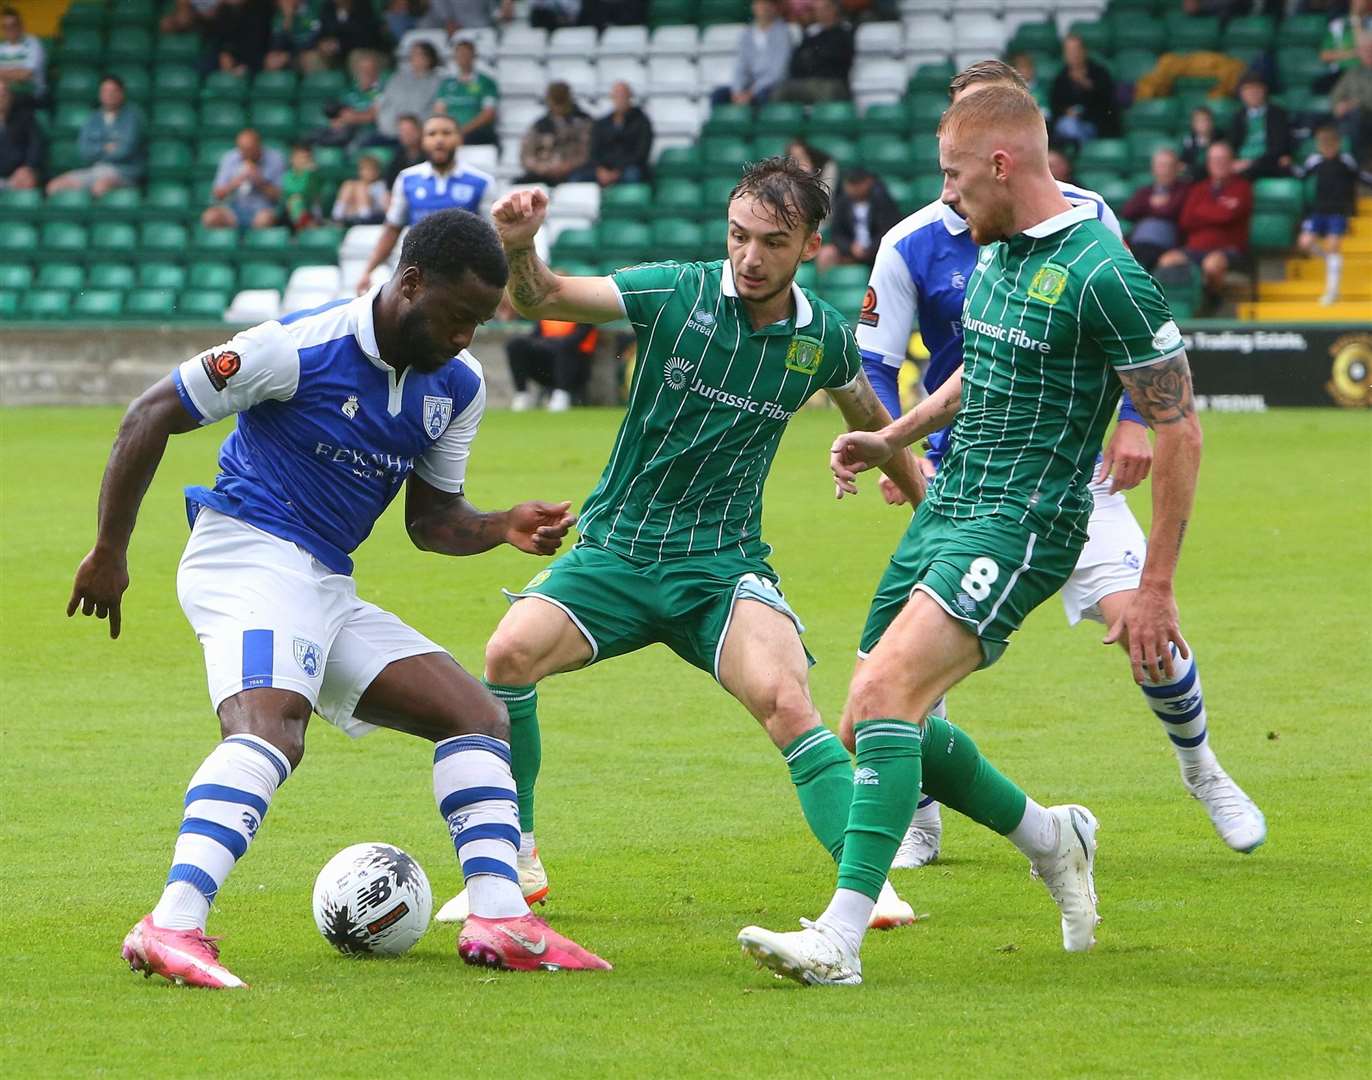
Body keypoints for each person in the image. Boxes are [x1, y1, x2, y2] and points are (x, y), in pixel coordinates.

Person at [740, 82, 1207, 987]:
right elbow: (978, 371)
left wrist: (1155, 585)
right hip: (950, 506)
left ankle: (838, 939)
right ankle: (1052, 834)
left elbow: (1180, 425)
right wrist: (892, 437)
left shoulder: (1104, 272)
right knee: (875, 717)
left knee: (881, 697)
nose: (946, 195)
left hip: (1023, 518)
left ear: (1001, 164)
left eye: (954, 175)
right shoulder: (996, 253)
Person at [67, 209, 610, 987]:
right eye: (456, 317)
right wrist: (110, 552)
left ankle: (500, 916)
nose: (465, 337)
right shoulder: (294, 347)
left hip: (322, 581)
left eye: (480, 323)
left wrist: (499, 526)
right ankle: (170, 925)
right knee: (271, 728)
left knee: (477, 718)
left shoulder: (455, 388)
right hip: (245, 554)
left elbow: (431, 521)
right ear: (410, 282)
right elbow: (150, 413)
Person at [433, 160, 927, 930]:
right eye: (738, 235)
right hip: (618, 550)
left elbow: (867, 410)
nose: (750, 256)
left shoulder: (821, 338)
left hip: (720, 566)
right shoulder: (677, 291)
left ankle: (863, 884)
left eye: (772, 241)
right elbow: (546, 296)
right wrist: (523, 249)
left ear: (810, 247)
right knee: (507, 655)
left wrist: (913, 485)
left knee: (787, 700)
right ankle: (516, 860)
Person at [852, 59, 1262, 877]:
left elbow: (1138, 343)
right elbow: (879, 363)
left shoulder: (1085, 226)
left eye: (963, 156)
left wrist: (1139, 421)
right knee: (893, 685)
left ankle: (1202, 767)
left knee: (1142, 629)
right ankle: (921, 825)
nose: (952, 179)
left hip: (1071, 480)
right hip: (960, 480)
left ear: (1006, 145)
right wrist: (892, 448)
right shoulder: (914, 241)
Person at [355, 113, 494, 293]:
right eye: (432, 134)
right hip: (418, 275)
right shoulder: (407, 179)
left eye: (446, 133)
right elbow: (392, 229)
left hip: (464, 274)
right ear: (423, 140)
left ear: (459, 139)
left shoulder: (481, 182)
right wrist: (368, 271)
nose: (439, 140)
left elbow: (492, 235)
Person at [1157, 141, 1252, 303]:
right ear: (1208, 164)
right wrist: (1219, 209)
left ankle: (1211, 305)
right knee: (1166, 261)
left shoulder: (1243, 188)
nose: (1219, 164)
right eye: (1214, 160)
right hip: (1195, 249)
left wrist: (1202, 212)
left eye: (1223, 159)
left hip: (1228, 250)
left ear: (1231, 162)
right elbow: (1186, 220)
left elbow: (1228, 216)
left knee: (1211, 265)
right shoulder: (1198, 189)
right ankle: (1176, 309)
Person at [1295, 125, 1372, 305]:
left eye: (1331, 144)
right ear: (1318, 145)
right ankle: (1330, 260)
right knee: (1305, 243)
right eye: (1323, 144)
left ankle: (1332, 291)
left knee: (1333, 244)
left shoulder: (1346, 160)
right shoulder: (1314, 161)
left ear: (1338, 144)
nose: (1327, 148)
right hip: (1319, 210)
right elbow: (1300, 175)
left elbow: (1360, 176)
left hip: (1338, 211)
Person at [46, 75, 144, 198]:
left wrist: (97, 150)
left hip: (124, 172)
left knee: (100, 187)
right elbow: (84, 151)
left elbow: (124, 151)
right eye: (105, 91)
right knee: (54, 186)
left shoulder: (132, 117)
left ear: (121, 93)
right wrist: (105, 148)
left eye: (113, 91)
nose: (109, 95)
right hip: (95, 170)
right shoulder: (92, 118)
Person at [816, 167, 900, 272]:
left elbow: (888, 231)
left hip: (877, 251)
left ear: (868, 183)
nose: (852, 188)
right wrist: (851, 247)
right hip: (850, 251)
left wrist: (869, 249)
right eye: (850, 184)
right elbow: (837, 234)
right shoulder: (843, 203)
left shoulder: (882, 201)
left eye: (856, 184)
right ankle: (826, 287)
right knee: (826, 253)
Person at [1121, 146, 1190, 272]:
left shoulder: (1184, 190)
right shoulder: (1146, 191)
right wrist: (1151, 203)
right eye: (1160, 166)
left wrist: (1151, 208)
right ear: (1153, 169)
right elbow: (1128, 211)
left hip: (1164, 245)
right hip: (1137, 243)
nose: (1164, 171)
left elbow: (1172, 210)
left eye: (1168, 166)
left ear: (1177, 168)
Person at [202, 128, 287, 231]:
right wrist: (235, 183)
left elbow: (280, 196)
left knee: (264, 219)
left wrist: (259, 181)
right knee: (210, 217)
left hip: (262, 209)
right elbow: (217, 195)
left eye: (250, 149)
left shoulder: (275, 159)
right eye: (242, 149)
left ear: (259, 146)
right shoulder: (230, 158)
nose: (246, 153)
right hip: (233, 210)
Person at [507, 317, 598, 412]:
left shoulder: (584, 315)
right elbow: (534, 337)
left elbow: (575, 340)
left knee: (564, 347)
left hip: (575, 369)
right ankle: (522, 394)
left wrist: (551, 342)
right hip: (546, 369)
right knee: (516, 345)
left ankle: (561, 396)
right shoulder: (547, 313)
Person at [712, 0, 791, 108]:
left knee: (762, 96)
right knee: (718, 95)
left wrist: (752, 92)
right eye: (758, 3)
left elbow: (777, 73)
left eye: (765, 4)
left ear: (773, 7)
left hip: (770, 87)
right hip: (749, 87)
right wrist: (737, 91)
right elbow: (740, 66)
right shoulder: (747, 34)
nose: (762, 7)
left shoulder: (783, 33)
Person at [773, 0, 853, 104]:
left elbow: (836, 61)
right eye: (817, 10)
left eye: (823, 9)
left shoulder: (844, 33)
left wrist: (811, 59)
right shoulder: (811, 35)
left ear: (834, 9)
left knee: (828, 91)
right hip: (806, 82)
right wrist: (814, 59)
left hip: (832, 83)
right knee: (780, 91)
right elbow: (795, 62)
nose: (820, 13)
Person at [516, 81, 592, 186]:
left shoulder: (583, 123)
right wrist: (542, 168)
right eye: (556, 101)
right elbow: (526, 155)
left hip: (573, 173)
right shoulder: (539, 126)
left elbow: (588, 153)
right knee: (520, 185)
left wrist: (567, 166)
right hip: (543, 173)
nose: (558, 106)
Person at [1049, 32, 1118, 146]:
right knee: (1065, 125)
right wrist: (1066, 111)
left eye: (1076, 50)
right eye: (1069, 51)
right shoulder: (1060, 78)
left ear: (1084, 51)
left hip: (1097, 126)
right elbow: (1055, 106)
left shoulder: (1099, 73)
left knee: (1068, 127)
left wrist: (1087, 85)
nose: (1073, 55)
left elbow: (1108, 103)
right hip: (1068, 125)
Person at [434, 37, 499, 147]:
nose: (462, 57)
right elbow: (439, 110)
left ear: (474, 56)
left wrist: (463, 130)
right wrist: (450, 130)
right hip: (451, 132)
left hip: (477, 133)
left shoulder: (486, 82)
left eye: (466, 53)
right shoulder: (447, 83)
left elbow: (489, 113)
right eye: (459, 54)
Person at [374, 42, 443, 143]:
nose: (414, 58)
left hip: (420, 135)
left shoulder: (439, 81)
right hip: (390, 131)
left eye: (419, 54)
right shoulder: (397, 78)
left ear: (430, 58)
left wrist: (413, 129)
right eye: (412, 54)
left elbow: (436, 111)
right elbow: (383, 104)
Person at [588, 81, 653, 187]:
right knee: (577, 177)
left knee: (632, 175)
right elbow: (594, 152)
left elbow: (641, 154)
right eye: (616, 96)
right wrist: (600, 170)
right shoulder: (602, 123)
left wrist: (616, 172)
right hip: (604, 168)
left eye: (623, 95)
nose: (620, 99)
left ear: (630, 97)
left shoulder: (642, 122)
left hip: (629, 168)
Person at [1228, 75, 1292, 181]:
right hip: (1240, 163)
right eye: (1248, 90)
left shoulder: (1277, 114)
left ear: (1264, 90)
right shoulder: (1238, 116)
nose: (1252, 94)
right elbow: (1231, 144)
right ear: (1241, 94)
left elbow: (1278, 148)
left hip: (1266, 163)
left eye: (1256, 89)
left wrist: (1250, 163)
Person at [1330, 38, 1372, 162]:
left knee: (1354, 115)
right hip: (1352, 116)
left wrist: (1353, 103)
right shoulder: (1352, 72)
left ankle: (1354, 161)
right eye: (1365, 50)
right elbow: (1336, 93)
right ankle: (1346, 161)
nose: (1369, 53)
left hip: (1368, 115)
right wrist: (1338, 105)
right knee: (1344, 118)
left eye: (1371, 49)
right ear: (1359, 53)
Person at [311, 0, 385, 69]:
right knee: (312, 58)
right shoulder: (328, 7)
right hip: (336, 54)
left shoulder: (363, 6)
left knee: (355, 56)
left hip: (364, 51)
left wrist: (339, 45)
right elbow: (320, 32)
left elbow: (365, 38)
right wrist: (322, 44)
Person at [0, 78, 41, 189]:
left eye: (4, 94)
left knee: (27, 180)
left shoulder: (25, 119)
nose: (1, 98)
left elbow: (35, 146)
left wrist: (28, 167)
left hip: (15, 176)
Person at [264, 0, 323, 72]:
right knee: (271, 61)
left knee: (310, 58)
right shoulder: (280, 16)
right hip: (291, 56)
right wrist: (288, 19)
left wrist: (288, 56)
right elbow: (276, 46)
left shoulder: (315, 6)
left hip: (315, 53)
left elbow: (313, 39)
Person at [332, 152, 389, 225]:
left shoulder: (381, 185)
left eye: (371, 169)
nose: (369, 173)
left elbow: (383, 207)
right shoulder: (353, 185)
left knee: (361, 188)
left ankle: (363, 218)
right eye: (365, 169)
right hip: (353, 216)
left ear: (378, 171)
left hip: (372, 218)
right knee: (348, 185)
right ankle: (337, 217)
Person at [0, 6, 45, 99]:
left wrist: (5, 75)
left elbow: (26, 75)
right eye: (5, 27)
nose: (9, 30)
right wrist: (16, 73)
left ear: (21, 26)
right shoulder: (1, 48)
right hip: (5, 93)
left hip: (30, 95)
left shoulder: (32, 43)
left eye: (13, 25)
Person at [277, 142, 323, 230]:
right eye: (301, 157)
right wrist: (307, 173)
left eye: (307, 158)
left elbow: (311, 193)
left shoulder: (314, 175)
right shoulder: (287, 176)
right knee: (295, 201)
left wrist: (309, 173)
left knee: (299, 202)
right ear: (292, 159)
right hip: (287, 214)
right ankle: (302, 230)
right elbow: (298, 190)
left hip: (311, 211)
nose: (304, 161)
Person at [383, 113, 424, 184]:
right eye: (402, 130)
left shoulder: (430, 153)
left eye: (410, 130)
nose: (406, 134)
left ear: (419, 131)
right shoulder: (398, 154)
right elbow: (390, 182)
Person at [1180, 105, 1216, 180]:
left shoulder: (1218, 140)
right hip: (1193, 177)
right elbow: (1183, 163)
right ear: (1193, 124)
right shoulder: (1188, 141)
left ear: (1212, 122)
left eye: (1206, 120)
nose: (1204, 124)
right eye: (1199, 121)